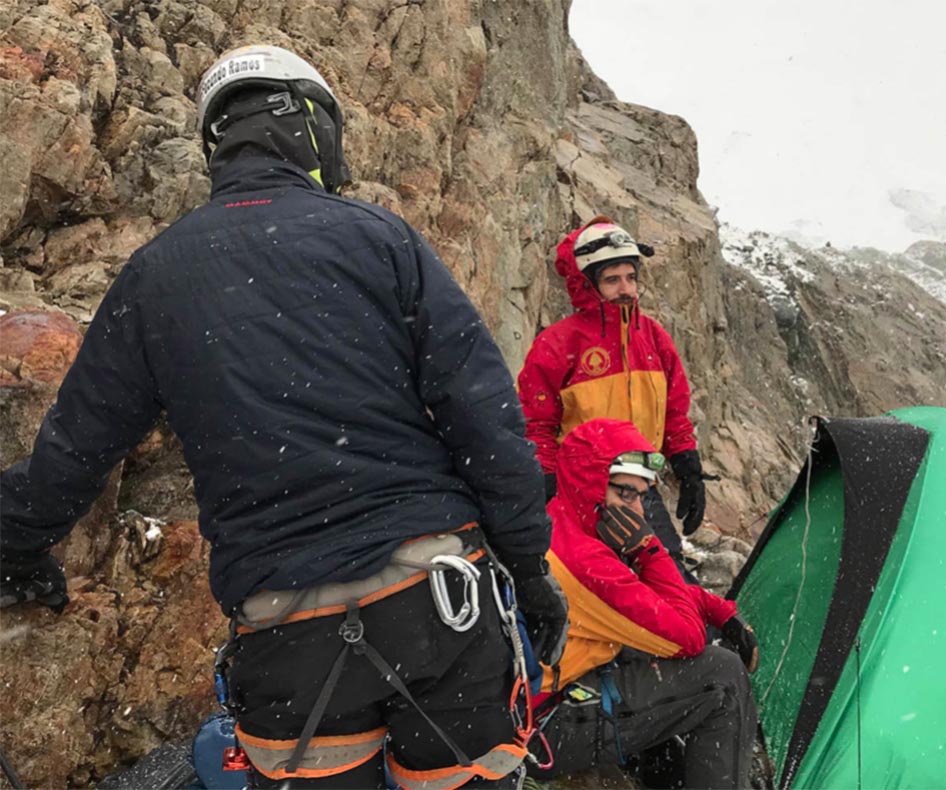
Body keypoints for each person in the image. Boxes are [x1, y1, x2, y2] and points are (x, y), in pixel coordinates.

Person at [0, 44, 567, 789]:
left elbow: (73, 451)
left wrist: (17, 548)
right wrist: (528, 570)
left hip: (287, 632)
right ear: (311, 127)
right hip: (437, 607)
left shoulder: (155, 276)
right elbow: (485, 421)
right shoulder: (379, 237)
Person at [529, 418, 759, 789]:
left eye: (642, 495)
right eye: (626, 494)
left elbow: (636, 594)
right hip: (542, 728)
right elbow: (687, 637)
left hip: (534, 702)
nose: (638, 511)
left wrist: (717, 609)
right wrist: (649, 550)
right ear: (590, 484)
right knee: (722, 676)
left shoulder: (562, 520)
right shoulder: (586, 561)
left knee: (650, 655)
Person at [518, 217, 712, 566]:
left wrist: (688, 468)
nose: (625, 289)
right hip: (581, 494)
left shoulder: (654, 339)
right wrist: (545, 482)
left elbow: (674, 414)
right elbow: (537, 424)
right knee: (600, 595)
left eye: (631, 277)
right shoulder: (558, 344)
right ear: (587, 284)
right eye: (612, 280)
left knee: (669, 580)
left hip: (641, 489)